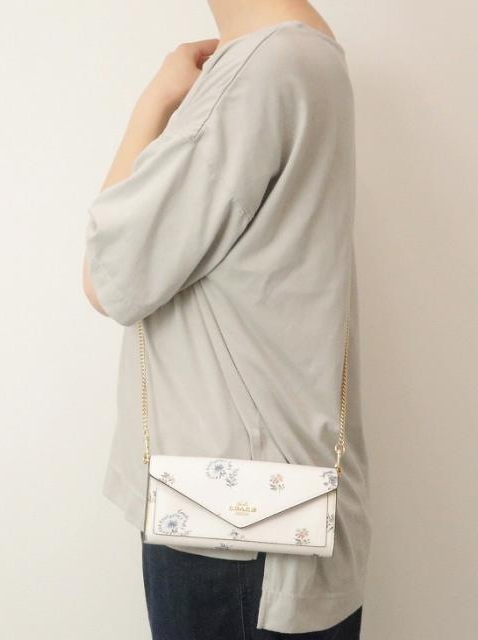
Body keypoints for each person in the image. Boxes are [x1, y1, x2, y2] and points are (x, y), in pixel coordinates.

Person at [82, 1, 372, 638]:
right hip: (279, 504)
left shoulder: (261, 70)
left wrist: (156, 100)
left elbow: (108, 277)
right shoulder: (313, 57)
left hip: (233, 529)